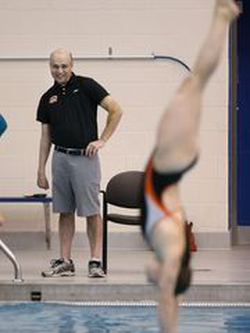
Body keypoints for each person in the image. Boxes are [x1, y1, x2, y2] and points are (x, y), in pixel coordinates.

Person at [140, 1, 240, 332]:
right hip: (171, 161)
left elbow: (174, 293)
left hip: (173, 162)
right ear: (173, 273)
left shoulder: (168, 247)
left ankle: (222, 19)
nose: (148, 276)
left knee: (194, 84)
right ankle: (223, 17)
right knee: (196, 83)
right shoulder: (169, 243)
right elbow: (169, 296)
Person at [36, 49, 123, 278]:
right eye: (55, 66)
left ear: (72, 64)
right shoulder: (47, 98)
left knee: (92, 211)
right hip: (60, 158)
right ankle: (65, 261)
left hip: (85, 158)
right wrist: (40, 170)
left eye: (64, 66)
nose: (60, 70)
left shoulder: (87, 86)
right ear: (50, 66)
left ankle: (95, 261)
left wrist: (102, 139)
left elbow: (116, 109)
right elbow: (45, 137)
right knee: (65, 211)